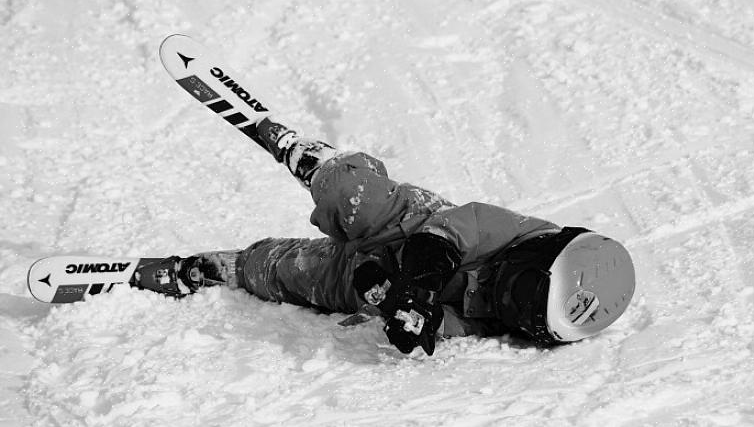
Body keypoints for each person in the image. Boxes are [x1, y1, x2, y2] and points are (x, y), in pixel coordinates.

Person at [133, 118, 636, 356]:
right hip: (413, 228)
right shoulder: (515, 232)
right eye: (528, 293)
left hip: (389, 278)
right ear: (542, 255)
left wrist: (417, 316)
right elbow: (455, 229)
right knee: (357, 196)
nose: (514, 307)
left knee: (301, 276)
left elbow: (459, 325)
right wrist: (422, 278)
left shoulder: (505, 315)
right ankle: (314, 163)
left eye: (530, 321)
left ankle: (228, 267)